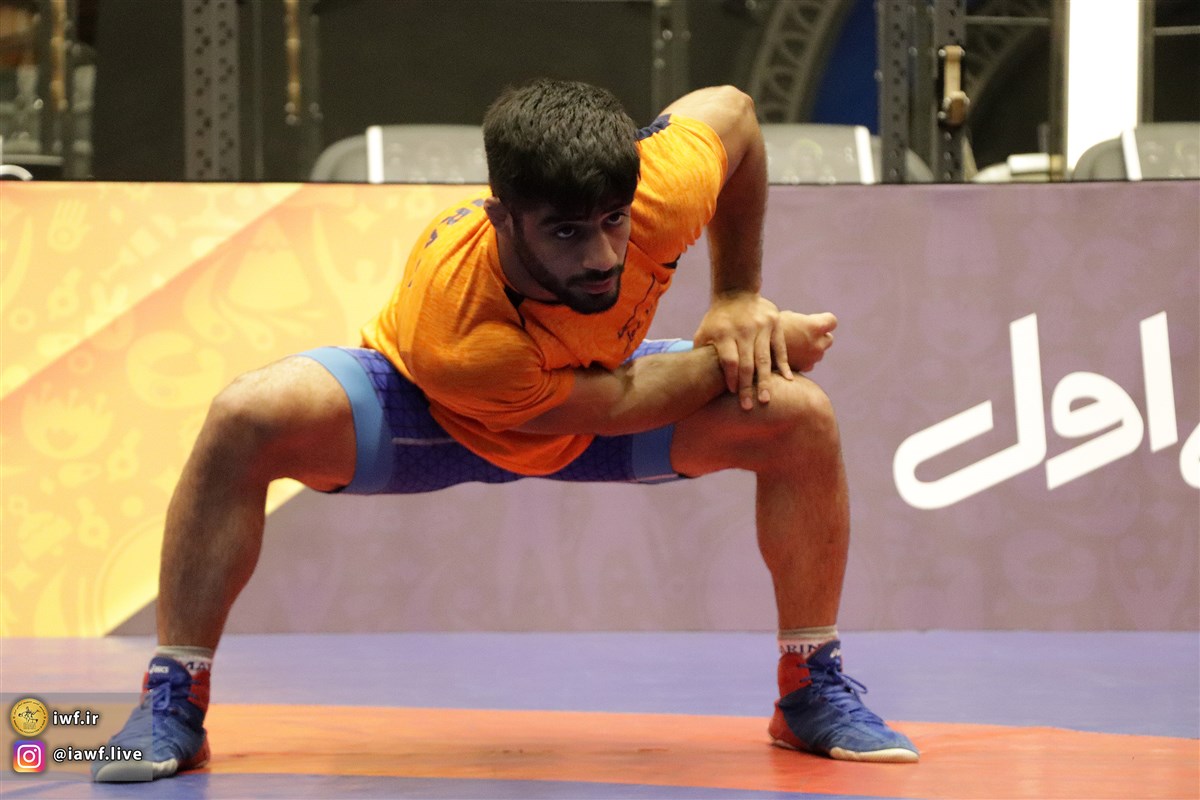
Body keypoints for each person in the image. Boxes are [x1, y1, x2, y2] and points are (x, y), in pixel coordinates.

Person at [92, 79, 918, 782]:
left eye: (613, 221)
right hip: (434, 415)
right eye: (566, 232)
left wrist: (737, 296)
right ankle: (176, 696)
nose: (602, 256)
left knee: (800, 420)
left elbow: (733, 112)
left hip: (595, 382)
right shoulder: (462, 329)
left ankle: (808, 687)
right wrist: (757, 349)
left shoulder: (658, 190)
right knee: (247, 416)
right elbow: (610, 409)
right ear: (503, 216)